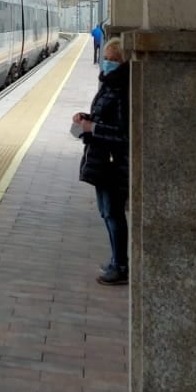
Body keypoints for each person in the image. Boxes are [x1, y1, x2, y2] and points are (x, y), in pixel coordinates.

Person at [72, 36, 129, 285]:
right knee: (106, 213)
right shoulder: (109, 84)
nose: (107, 63)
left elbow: (125, 133)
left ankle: (120, 265)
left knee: (113, 214)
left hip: (114, 163)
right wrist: (86, 118)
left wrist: (93, 127)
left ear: (124, 62)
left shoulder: (123, 90)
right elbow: (103, 118)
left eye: (113, 60)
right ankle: (116, 261)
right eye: (106, 59)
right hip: (102, 160)